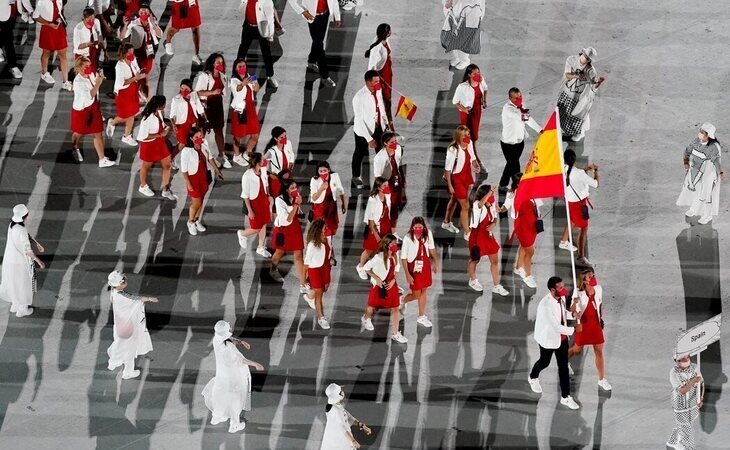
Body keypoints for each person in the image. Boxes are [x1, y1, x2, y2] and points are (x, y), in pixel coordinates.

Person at [202, 320, 265, 434]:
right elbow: (240, 360)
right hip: (234, 377)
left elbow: (227, 339)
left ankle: (217, 417)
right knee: (235, 399)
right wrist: (256, 364)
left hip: (222, 375)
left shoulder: (217, 339)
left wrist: (240, 342)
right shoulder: (228, 349)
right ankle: (235, 424)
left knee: (220, 394)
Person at [528, 276, 580, 410]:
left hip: (561, 339)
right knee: (544, 362)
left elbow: (563, 315)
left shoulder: (561, 297)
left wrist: (573, 315)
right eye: (560, 287)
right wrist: (574, 329)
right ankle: (533, 377)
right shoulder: (545, 305)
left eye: (563, 286)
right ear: (552, 290)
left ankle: (565, 397)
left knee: (563, 367)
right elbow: (555, 326)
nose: (564, 290)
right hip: (548, 339)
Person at [106, 270, 158, 379]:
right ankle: (128, 372)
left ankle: (113, 362)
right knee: (130, 350)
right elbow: (136, 300)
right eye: (124, 280)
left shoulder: (114, 292)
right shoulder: (123, 297)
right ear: (120, 284)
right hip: (128, 328)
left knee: (119, 345)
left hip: (119, 326)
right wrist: (149, 299)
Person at [568, 268, 611, 391]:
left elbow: (600, 302)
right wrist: (575, 305)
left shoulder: (598, 288)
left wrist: (601, 309)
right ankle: (564, 362)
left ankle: (602, 380)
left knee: (599, 351)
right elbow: (572, 310)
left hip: (595, 324)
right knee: (576, 349)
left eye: (593, 275)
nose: (593, 278)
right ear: (584, 280)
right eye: (590, 277)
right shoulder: (578, 293)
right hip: (583, 325)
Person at [360, 234, 407, 343]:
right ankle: (366, 318)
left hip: (391, 285)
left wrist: (393, 280)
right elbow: (366, 268)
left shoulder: (395, 255)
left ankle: (395, 334)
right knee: (371, 307)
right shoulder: (378, 258)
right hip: (379, 286)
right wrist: (377, 279)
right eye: (393, 244)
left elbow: (397, 269)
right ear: (387, 245)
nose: (396, 246)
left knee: (395, 308)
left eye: (396, 243)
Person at [70, 57, 116, 168]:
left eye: (89, 65)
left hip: (94, 107)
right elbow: (90, 95)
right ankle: (75, 148)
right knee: (78, 132)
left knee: (98, 133)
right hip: (82, 111)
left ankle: (102, 159)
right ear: (80, 67)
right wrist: (98, 83)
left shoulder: (90, 74)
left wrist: (100, 77)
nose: (89, 68)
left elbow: (96, 80)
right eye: (86, 66)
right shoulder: (78, 82)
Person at [0, 204, 44, 318]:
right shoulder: (21, 229)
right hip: (19, 263)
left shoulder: (12, 225)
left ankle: (15, 304)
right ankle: (22, 309)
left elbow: (25, 236)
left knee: (13, 283)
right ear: (25, 216)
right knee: (23, 285)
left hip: (9, 260)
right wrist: (38, 261)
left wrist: (36, 243)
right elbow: (28, 251)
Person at [677, 123, 723, 225]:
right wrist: (686, 162)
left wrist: (720, 172)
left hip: (708, 175)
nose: (700, 133)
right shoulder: (696, 141)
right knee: (695, 191)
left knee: (706, 195)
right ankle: (694, 208)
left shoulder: (713, 147)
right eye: (700, 131)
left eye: (702, 132)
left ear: (708, 135)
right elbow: (687, 151)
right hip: (695, 172)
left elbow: (716, 161)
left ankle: (707, 215)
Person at [467, 184, 509, 295]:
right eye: (490, 193)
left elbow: (495, 217)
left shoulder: (491, 204)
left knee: (495, 261)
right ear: (484, 194)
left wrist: (494, 224)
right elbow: (481, 204)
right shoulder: (477, 204)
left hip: (488, 235)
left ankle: (496, 285)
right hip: (477, 236)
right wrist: (490, 192)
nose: (492, 196)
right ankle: (473, 280)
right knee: (475, 260)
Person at [500, 173, 540, 289]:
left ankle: (518, 268)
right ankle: (527, 276)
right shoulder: (512, 193)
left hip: (532, 224)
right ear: (518, 183)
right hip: (522, 226)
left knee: (524, 247)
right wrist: (500, 209)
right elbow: (506, 206)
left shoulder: (530, 190)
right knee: (530, 251)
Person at [557, 47, 605, 141]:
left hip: (580, 96)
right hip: (567, 90)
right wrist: (578, 76)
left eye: (588, 59)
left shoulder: (591, 70)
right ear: (582, 53)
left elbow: (593, 86)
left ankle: (580, 132)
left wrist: (598, 82)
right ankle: (568, 131)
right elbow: (566, 75)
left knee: (578, 113)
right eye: (585, 56)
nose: (585, 59)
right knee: (564, 111)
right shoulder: (571, 59)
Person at [180, 127, 223, 235]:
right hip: (193, 179)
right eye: (196, 137)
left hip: (203, 176)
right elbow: (184, 170)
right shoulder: (186, 151)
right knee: (196, 203)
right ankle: (191, 221)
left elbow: (210, 158)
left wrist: (217, 170)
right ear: (191, 138)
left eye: (200, 136)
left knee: (201, 200)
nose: (200, 138)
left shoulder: (204, 144)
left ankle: (197, 220)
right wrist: (188, 184)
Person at [351, 70, 389, 189]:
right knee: (360, 152)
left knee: (381, 152)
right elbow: (359, 120)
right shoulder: (359, 98)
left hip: (377, 127)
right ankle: (356, 176)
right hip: (363, 131)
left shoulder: (378, 90)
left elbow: (381, 107)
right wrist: (368, 139)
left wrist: (386, 123)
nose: (379, 83)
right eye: (376, 81)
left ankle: (381, 177)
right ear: (368, 82)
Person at [287, 0, 339, 87]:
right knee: (319, 45)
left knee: (317, 42)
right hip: (312, 17)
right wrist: (302, 12)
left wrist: (337, 17)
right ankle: (325, 75)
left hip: (325, 15)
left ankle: (311, 61)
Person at [560, 148, 598, 267]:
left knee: (571, 220)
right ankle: (581, 256)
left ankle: (564, 241)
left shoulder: (562, 170)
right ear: (575, 159)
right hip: (579, 204)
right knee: (583, 229)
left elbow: (574, 175)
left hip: (569, 202)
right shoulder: (579, 173)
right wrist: (595, 171)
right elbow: (596, 184)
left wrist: (585, 170)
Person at [498, 87, 542, 191]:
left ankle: (509, 184)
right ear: (510, 98)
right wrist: (539, 130)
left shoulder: (521, 106)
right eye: (516, 98)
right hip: (508, 144)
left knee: (512, 163)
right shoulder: (508, 109)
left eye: (520, 96)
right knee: (513, 165)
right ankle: (510, 185)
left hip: (519, 142)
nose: (519, 99)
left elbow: (528, 118)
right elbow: (524, 118)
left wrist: (540, 130)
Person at [399, 217, 439, 328]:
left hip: (425, 265)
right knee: (416, 294)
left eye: (420, 227)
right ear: (412, 227)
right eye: (416, 227)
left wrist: (435, 262)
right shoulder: (407, 238)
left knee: (424, 291)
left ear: (423, 227)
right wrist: (407, 274)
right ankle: (402, 300)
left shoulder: (428, 234)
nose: (418, 229)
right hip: (413, 268)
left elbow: (432, 249)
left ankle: (421, 316)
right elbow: (403, 258)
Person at [136, 95, 177, 200]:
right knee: (146, 167)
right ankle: (143, 186)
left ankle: (165, 190)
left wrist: (165, 129)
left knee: (167, 166)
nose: (165, 105)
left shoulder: (158, 112)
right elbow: (143, 136)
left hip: (159, 143)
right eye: (164, 104)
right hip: (149, 145)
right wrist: (160, 134)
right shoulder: (146, 118)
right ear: (160, 105)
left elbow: (160, 126)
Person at [441, 125, 480, 235]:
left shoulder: (469, 143)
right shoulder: (453, 149)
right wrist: (450, 185)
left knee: (454, 200)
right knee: (466, 205)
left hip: (466, 175)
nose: (467, 137)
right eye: (465, 135)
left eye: (468, 134)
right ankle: (467, 232)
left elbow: (473, 157)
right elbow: (447, 170)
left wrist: (476, 166)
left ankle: (446, 222)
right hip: (456, 178)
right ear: (459, 137)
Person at [270, 179, 307, 290]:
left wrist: (297, 204)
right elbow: (287, 219)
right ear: (286, 190)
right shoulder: (279, 200)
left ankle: (303, 283)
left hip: (295, 228)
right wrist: (296, 204)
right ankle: (272, 269)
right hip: (284, 229)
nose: (295, 190)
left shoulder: (295, 196)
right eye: (292, 188)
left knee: (299, 255)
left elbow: (297, 213)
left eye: (295, 187)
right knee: (279, 252)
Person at [107, 43, 145, 146]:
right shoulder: (119, 66)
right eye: (130, 52)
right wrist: (135, 78)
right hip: (123, 93)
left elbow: (136, 69)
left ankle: (125, 134)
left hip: (132, 90)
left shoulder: (132, 60)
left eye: (133, 52)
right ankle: (116, 126)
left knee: (131, 115)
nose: (132, 54)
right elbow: (121, 83)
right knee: (125, 115)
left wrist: (140, 74)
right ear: (124, 53)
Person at [194, 53, 228, 167]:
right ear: (212, 63)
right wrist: (212, 92)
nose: (220, 64)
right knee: (202, 133)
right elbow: (197, 93)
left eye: (222, 62)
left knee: (219, 131)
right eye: (218, 62)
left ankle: (221, 155)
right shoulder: (204, 76)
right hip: (206, 107)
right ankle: (198, 155)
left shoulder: (223, 76)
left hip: (217, 106)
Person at [124, 4, 162, 100]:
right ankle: (147, 98)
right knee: (141, 76)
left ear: (149, 13)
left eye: (145, 12)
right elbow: (123, 36)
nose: (143, 14)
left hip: (149, 54)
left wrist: (153, 24)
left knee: (145, 76)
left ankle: (140, 92)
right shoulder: (134, 23)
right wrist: (125, 26)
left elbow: (160, 35)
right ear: (138, 13)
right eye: (141, 12)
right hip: (137, 54)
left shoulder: (152, 22)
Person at [356, 177, 391, 279]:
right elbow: (371, 221)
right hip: (375, 228)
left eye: (387, 185)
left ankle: (379, 271)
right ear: (379, 187)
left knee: (383, 249)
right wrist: (376, 236)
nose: (387, 187)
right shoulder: (373, 199)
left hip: (385, 226)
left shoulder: (387, 195)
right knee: (369, 250)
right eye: (384, 185)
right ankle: (361, 266)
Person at [238, 152, 272, 257]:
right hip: (254, 203)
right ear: (257, 162)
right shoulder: (247, 176)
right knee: (256, 227)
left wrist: (269, 196)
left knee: (264, 223)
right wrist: (250, 210)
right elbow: (245, 195)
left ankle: (260, 248)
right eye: (262, 160)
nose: (264, 161)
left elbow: (265, 183)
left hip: (263, 200)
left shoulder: (262, 170)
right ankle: (242, 234)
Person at [666, 354, 703, 450]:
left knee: (683, 424)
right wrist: (694, 380)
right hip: (680, 405)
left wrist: (701, 398)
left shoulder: (695, 367)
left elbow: (702, 383)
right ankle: (689, 447)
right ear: (676, 361)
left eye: (687, 357)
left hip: (693, 402)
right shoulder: (673, 373)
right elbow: (682, 391)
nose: (686, 359)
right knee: (686, 428)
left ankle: (672, 441)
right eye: (682, 359)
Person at [238, 0, 278, 87]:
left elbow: (270, 20)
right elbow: (241, 9)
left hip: (261, 29)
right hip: (248, 26)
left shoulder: (267, 2)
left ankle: (270, 76)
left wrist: (270, 36)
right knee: (242, 49)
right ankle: (237, 76)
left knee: (266, 53)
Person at [230, 58, 262, 167]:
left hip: (250, 108)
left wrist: (255, 83)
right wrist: (243, 84)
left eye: (244, 66)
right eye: (239, 66)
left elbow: (256, 89)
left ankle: (247, 152)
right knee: (238, 136)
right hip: (240, 110)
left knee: (255, 134)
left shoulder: (249, 76)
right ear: (235, 68)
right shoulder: (234, 80)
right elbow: (237, 89)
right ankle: (237, 155)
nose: (242, 68)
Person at [320, 383, 371, 449]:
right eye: (340, 391)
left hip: (343, 441)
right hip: (338, 443)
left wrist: (362, 425)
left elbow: (349, 417)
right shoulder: (334, 410)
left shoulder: (337, 406)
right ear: (338, 395)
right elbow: (341, 426)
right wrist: (352, 441)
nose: (343, 392)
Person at [34, 0, 70, 89]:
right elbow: (35, 16)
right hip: (47, 29)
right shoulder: (41, 2)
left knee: (63, 54)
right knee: (46, 52)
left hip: (59, 28)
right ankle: (44, 73)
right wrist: (50, 24)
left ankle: (65, 82)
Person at [303, 219, 332, 330]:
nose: (326, 229)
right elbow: (306, 263)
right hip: (314, 270)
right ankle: (321, 318)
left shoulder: (326, 238)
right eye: (325, 228)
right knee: (319, 294)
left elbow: (329, 251)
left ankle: (309, 297)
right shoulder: (312, 244)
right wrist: (303, 281)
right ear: (319, 230)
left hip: (325, 268)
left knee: (324, 288)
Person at [373, 132, 404, 237]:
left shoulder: (398, 149)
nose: (395, 143)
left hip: (396, 181)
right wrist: (382, 190)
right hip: (386, 184)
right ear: (385, 143)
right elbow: (377, 177)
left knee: (395, 207)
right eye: (392, 142)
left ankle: (393, 232)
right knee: (386, 208)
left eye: (395, 141)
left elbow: (398, 164)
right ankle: (383, 232)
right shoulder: (379, 158)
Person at [310, 161, 347, 244]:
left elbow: (341, 190)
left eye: (325, 170)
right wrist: (321, 188)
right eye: (320, 171)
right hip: (320, 208)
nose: (323, 173)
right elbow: (314, 198)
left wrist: (343, 204)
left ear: (329, 170)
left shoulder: (335, 176)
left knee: (331, 229)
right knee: (321, 230)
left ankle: (329, 248)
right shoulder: (314, 180)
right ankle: (322, 247)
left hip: (331, 207)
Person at [170, 78, 206, 161]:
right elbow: (172, 115)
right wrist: (173, 124)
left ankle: (198, 159)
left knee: (198, 140)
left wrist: (205, 121)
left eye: (186, 89)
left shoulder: (194, 96)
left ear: (190, 89)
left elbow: (200, 110)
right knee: (182, 143)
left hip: (194, 123)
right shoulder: (176, 99)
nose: (183, 90)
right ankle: (171, 158)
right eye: (182, 88)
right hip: (182, 125)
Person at [441, 0, 484, 70]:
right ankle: (456, 58)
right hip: (454, 10)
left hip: (468, 11)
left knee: (463, 37)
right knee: (451, 35)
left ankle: (464, 60)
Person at [453, 64, 488, 149]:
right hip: (466, 112)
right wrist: (464, 110)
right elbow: (455, 102)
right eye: (474, 73)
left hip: (477, 110)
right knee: (465, 131)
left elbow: (485, 88)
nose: (478, 75)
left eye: (478, 72)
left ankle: (473, 147)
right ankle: (463, 147)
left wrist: (484, 100)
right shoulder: (462, 87)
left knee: (475, 129)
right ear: (469, 75)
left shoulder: (481, 80)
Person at [366, 23, 393, 121]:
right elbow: (371, 66)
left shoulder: (385, 41)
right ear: (385, 33)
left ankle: (386, 117)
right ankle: (385, 120)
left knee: (387, 97)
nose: (390, 32)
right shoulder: (377, 48)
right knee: (384, 98)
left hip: (387, 72)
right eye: (388, 31)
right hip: (381, 75)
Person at [163, 0, 203, 64]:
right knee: (176, 28)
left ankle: (196, 55)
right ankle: (167, 42)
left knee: (195, 27)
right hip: (179, 4)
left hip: (191, 2)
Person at [0, 0, 33, 79]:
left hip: (13, 10)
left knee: (6, 34)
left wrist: (30, 10)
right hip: (2, 10)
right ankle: (12, 65)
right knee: (8, 38)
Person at [73, 7, 106, 73]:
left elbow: (100, 37)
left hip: (94, 52)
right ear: (84, 18)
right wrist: (88, 44)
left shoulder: (96, 22)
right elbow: (77, 47)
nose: (91, 21)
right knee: (83, 73)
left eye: (93, 19)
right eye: (89, 19)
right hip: (82, 55)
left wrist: (105, 51)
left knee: (92, 72)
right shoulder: (78, 29)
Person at [265, 126, 295, 198]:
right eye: (282, 137)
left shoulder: (288, 143)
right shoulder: (271, 151)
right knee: (278, 197)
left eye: (285, 136)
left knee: (288, 196)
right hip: (277, 179)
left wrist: (290, 166)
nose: (285, 138)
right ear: (276, 139)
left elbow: (291, 154)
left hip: (287, 176)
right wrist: (269, 174)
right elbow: (263, 164)